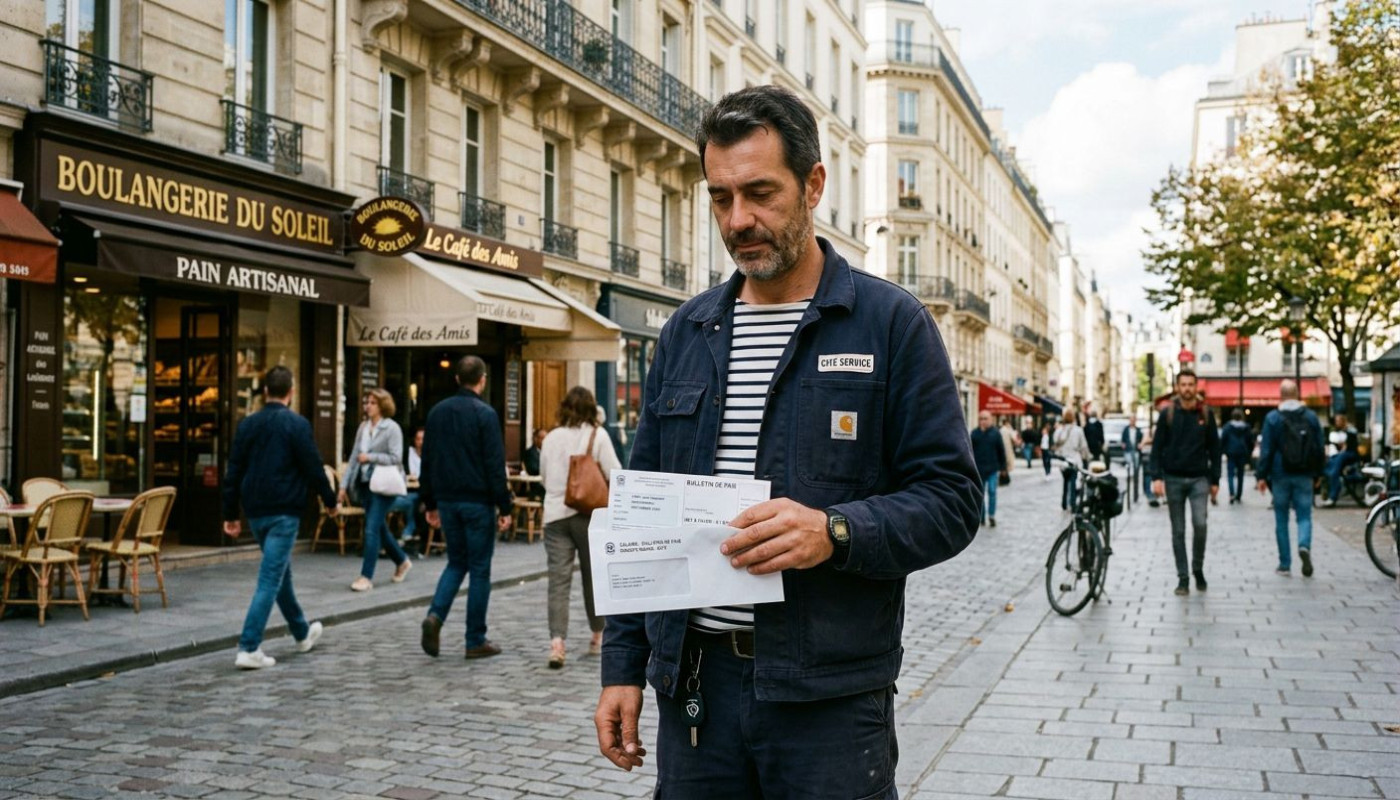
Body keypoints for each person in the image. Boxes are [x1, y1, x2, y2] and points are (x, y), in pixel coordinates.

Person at [593, 85, 982, 799]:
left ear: (814, 185)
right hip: (696, 692)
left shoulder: (890, 324)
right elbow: (639, 514)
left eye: (761, 193)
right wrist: (622, 666)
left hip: (829, 702)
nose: (738, 219)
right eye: (720, 198)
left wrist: (834, 531)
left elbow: (953, 501)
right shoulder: (686, 332)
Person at [222, 365, 337, 670]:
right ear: (291, 392)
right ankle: (249, 647)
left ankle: (301, 633)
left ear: (264, 392)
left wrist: (231, 513)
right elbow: (313, 466)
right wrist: (330, 501)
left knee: (280, 573)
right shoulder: (297, 424)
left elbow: (234, 470)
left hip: (256, 511)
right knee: (271, 578)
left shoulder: (248, 424)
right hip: (284, 511)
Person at [419, 356, 513, 660]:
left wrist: (429, 502)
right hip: (477, 502)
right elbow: (494, 465)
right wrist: (505, 506)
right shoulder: (485, 414)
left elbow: (427, 460)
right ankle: (474, 639)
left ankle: (435, 615)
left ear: (458, 379)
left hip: (448, 500)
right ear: (482, 380)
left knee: (456, 563)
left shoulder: (437, 413)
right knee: (480, 570)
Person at [540, 386, 622, 669]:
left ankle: (557, 643)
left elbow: (543, 477)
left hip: (554, 515)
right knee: (593, 577)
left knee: (558, 581)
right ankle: (597, 636)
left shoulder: (551, 437)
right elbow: (615, 472)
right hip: (589, 515)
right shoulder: (598, 436)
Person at [1149, 369, 1221, 596]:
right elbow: (1157, 447)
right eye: (1184, 385)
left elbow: (1215, 448)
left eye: (1191, 384)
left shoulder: (1206, 413)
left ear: (1196, 387)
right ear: (1177, 387)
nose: (1187, 389)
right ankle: (1183, 577)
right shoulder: (1168, 413)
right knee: (1178, 530)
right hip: (1173, 478)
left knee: (1200, 524)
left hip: (1199, 478)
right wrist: (1156, 477)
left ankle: (1197, 567)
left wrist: (1215, 479)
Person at [340, 388, 413, 592]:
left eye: (373, 403)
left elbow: (396, 457)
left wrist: (370, 457)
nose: (368, 406)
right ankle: (402, 561)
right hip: (365, 484)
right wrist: (343, 486)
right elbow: (354, 457)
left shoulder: (392, 428)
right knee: (379, 527)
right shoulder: (363, 427)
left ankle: (366, 576)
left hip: (383, 485)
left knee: (371, 528)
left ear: (382, 406)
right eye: (367, 402)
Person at [1256, 380, 1324, 577]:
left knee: (1281, 519)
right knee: (1304, 515)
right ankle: (1304, 544)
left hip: (1280, 473)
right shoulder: (1310, 417)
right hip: (1304, 473)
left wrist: (1261, 475)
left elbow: (1266, 449)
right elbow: (1319, 447)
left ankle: (1285, 564)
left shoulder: (1273, 418)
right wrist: (1318, 473)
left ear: (1281, 395)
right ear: (1297, 394)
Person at [387, 427, 424, 555]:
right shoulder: (407, 454)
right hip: (404, 490)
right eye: (418, 439)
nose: (421, 442)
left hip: (418, 490)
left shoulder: (430, 455)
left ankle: (409, 531)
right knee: (411, 500)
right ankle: (409, 531)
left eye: (423, 439)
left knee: (413, 500)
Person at [971, 411, 1009, 527]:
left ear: (990, 420)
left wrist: (1003, 468)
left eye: (985, 418)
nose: (983, 421)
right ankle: (981, 517)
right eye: (981, 418)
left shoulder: (995, 433)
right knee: (980, 494)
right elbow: (970, 452)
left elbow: (1001, 450)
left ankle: (991, 515)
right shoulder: (974, 434)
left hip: (992, 468)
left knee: (992, 491)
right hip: (979, 469)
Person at [1053, 408, 1090, 510]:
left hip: (1063, 461)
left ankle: (1064, 503)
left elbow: (1055, 442)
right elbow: (1083, 446)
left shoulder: (1059, 431)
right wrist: (1086, 457)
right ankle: (1072, 504)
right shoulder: (1078, 430)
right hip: (1074, 460)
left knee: (1065, 481)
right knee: (1073, 481)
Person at [1320, 413, 1360, 507]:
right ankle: (1329, 486)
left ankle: (1333, 495)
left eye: (1339, 421)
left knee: (1336, 465)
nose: (1337, 423)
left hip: (1348, 453)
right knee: (1330, 464)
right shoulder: (1333, 431)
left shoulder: (1350, 430)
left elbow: (1348, 446)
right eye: (1336, 421)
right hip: (1336, 455)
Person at [1220, 409, 1255, 505]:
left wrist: (1223, 450)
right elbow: (1250, 441)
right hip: (1242, 452)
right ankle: (1239, 494)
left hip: (1231, 452)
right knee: (1240, 474)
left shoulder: (1227, 427)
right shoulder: (1246, 427)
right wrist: (1249, 451)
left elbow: (1223, 439)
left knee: (1230, 474)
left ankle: (1231, 493)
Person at [520, 427, 547, 502]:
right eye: (543, 438)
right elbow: (533, 469)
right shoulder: (530, 453)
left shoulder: (547, 452)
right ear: (535, 439)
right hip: (537, 486)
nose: (545, 441)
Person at [1121, 416, 1144, 485]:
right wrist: (1123, 444)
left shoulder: (1138, 430)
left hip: (1136, 449)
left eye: (1133, 420)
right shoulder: (1126, 429)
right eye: (1131, 420)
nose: (1132, 421)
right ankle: (1129, 477)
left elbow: (1141, 439)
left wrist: (1141, 444)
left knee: (1136, 465)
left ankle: (1135, 477)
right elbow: (1123, 439)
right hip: (1128, 449)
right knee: (1129, 464)